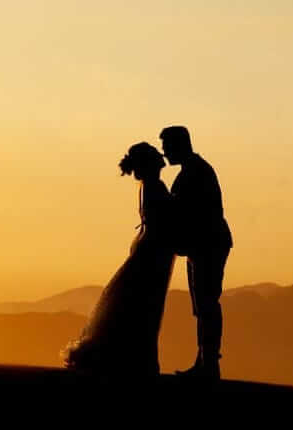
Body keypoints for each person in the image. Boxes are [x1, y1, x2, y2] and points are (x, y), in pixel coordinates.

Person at [62, 143, 175, 376]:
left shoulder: (148, 186)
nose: (161, 159)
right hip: (153, 251)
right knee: (143, 306)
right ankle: (137, 360)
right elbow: (162, 221)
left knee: (135, 304)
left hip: (150, 248)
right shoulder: (154, 185)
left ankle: (131, 358)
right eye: (156, 157)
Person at [161, 126, 233, 380]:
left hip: (208, 245)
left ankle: (209, 364)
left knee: (207, 303)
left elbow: (196, 213)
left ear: (179, 145)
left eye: (167, 146)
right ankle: (205, 362)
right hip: (200, 246)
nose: (164, 152)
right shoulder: (192, 171)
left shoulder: (197, 172)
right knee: (202, 305)